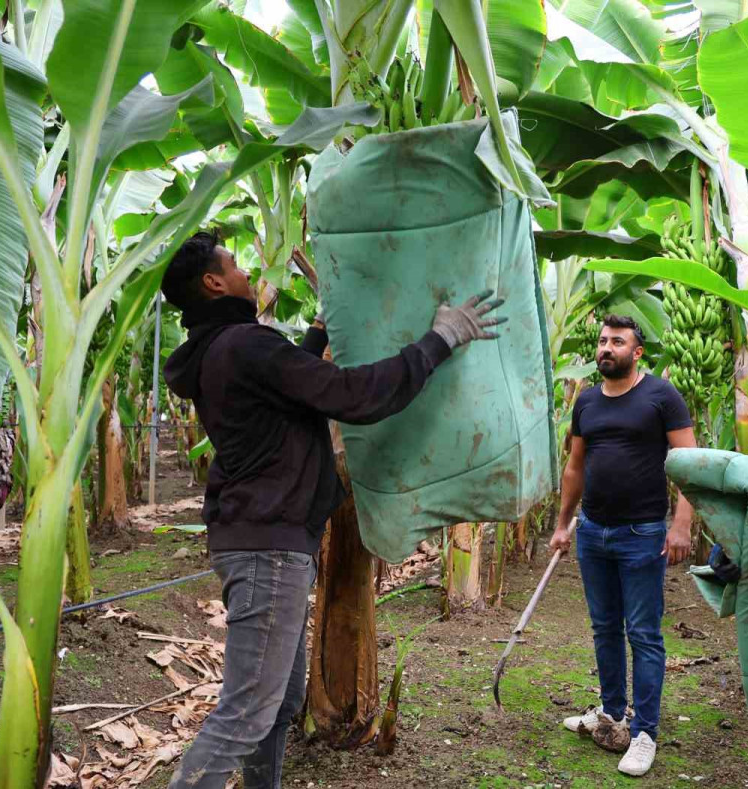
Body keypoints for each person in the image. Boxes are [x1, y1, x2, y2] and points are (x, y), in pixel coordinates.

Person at [160, 231, 504, 789]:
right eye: (236, 265)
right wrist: (439, 340)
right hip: (269, 548)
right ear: (213, 282)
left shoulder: (219, 349)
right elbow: (353, 396)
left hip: (262, 538)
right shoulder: (245, 343)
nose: (247, 274)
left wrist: (318, 331)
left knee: (279, 701)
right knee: (247, 711)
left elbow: (283, 390)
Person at [550, 314, 697, 778]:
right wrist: (562, 523)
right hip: (593, 531)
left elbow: (689, 465)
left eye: (617, 341)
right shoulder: (587, 401)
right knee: (604, 628)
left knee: (645, 634)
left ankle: (644, 732)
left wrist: (681, 526)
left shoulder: (661, 396)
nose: (606, 348)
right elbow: (576, 466)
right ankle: (611, 715)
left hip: (643, 534)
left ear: (637, 352)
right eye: (602, 341)